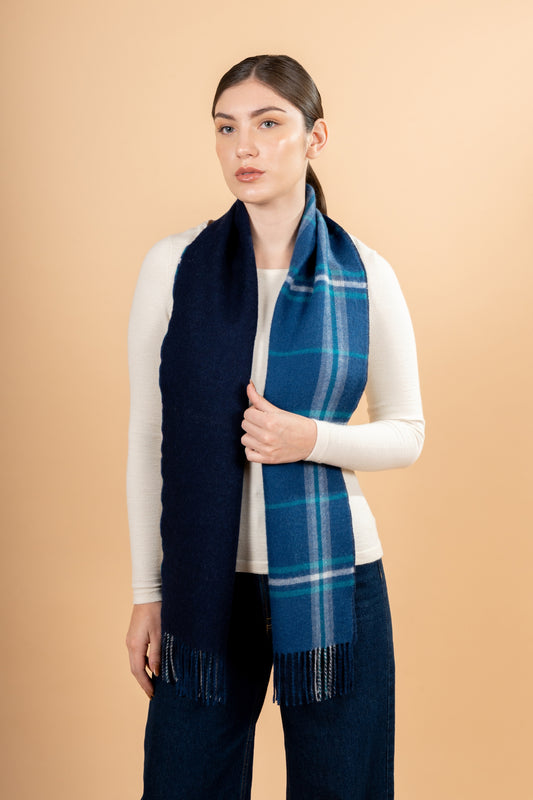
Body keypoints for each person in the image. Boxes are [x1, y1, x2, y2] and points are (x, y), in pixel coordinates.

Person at [125, 54, 424, 800]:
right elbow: (148, 438)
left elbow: (407, 430)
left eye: (268, 123)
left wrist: (309, 439)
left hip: (335, 579)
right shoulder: (173, 267)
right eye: (226, 128)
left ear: (315, 137)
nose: (244, 147)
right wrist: (146, 590)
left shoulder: (366, 274)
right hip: (204, 585)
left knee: (342, 787)